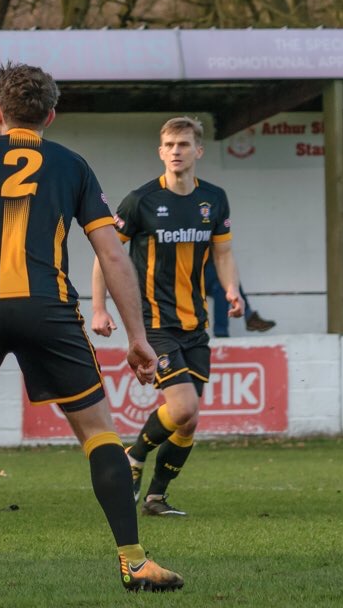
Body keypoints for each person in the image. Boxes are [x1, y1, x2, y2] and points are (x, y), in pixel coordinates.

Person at [0, 62, 184, 599]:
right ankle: (133, 562)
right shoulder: (73, 165)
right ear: (51, 115)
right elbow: (112, 253)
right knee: (99, 434)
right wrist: (138, 337)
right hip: (48, 310)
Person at [92, 116, 244, 519]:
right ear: (160, 151)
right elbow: (106, 254)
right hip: (153, 323)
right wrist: (99, 307)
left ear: (199, 150)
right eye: (169, 145)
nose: (176, 151)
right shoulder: (140, 200)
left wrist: (231, 289)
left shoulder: (214, 199)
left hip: (196, 325)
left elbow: (224, 253)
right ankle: (133, 456)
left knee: (189, 422)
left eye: (183, 144)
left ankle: (156, 497)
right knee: (182, 407)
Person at [203, 261, 275, 337]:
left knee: (226, 282)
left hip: (211, 277)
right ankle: (248, 316)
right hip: (194, 279)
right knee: (227, 277)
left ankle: (221, 332)